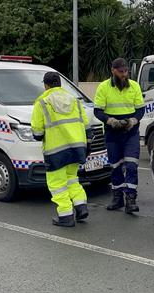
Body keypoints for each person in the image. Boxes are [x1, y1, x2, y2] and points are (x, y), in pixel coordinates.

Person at [31, 71, 93, 227]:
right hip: (76, 148)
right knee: (72, 179)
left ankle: (66, 216)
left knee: (57, 185)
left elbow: (37, 133)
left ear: (45, 85)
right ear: (60, 83)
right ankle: (81, 206)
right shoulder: (75, 101)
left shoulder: (42, 103)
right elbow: (87, 125)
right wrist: (88, 144)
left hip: (55, 151)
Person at [93, 58, 145, 214]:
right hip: (112, 133)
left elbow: (140, 110)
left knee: (131, 165)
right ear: (113, 70)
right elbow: (98, 111)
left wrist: (133, 120)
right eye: (121, 72)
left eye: (126, 71)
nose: (124, 74)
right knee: (115, 166)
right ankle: (117, 198)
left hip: (130, 133)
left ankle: (131, 199)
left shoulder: (134, 86)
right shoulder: (103, 87)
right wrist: (110, 121)